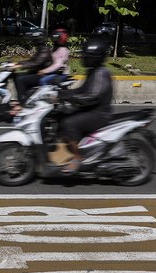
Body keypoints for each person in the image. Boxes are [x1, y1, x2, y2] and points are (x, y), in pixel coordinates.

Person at [55, 37, 113, 174]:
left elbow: (91, 97)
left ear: (95, 57)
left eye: (85, 56)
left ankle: (77, 157)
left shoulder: (101, 73)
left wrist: (70, 97)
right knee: (59, 115)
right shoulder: (93, 71)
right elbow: (81, 91)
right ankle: (68, 150)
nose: (83, 58)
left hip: (99, 114)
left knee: (69, 123)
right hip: (91, 110)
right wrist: (63, 93)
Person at [11, 28, 53, 111]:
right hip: (37, 73)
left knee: (20, 80)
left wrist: (20, 65)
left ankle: (22, 103)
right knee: (16, 76)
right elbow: (32, 60)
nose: (33, 41)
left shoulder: (44, 50)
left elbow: (36, 63)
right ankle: (22, 98)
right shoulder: (40, 49)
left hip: (43, 75)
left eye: (34, 39)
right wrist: (18, 63)